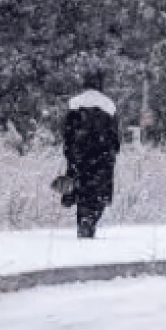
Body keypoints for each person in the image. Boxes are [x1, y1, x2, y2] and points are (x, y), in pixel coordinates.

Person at [62, 66, 121, 239]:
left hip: (78, 156)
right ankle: (90, 221)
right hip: (101, 158)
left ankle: (82, 219)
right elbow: (114, 138)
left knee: (80, 189)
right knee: (97, 192)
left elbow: (67, 133)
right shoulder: (109, 106)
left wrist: (70, 153)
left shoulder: (74, 103)